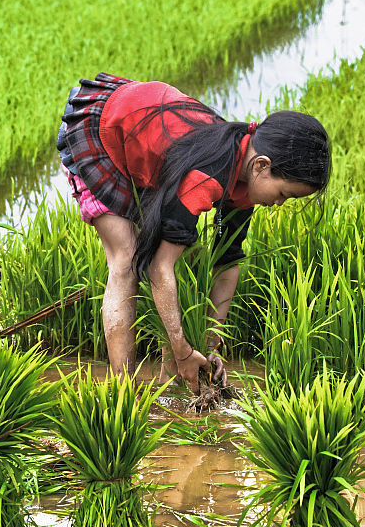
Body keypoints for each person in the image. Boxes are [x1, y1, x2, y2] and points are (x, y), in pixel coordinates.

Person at [56, 73, 330, 392]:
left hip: (143, 133)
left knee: (181, 256)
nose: (279, 204)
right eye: (284, 194)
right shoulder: (207, 176)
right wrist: (183, 350)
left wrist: (209, 347)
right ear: (261, 166)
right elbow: (160, 268)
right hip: (100, 128)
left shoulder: (244, 174)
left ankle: (168, 378)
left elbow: (227, 262)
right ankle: (123, 394)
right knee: (127, 260)